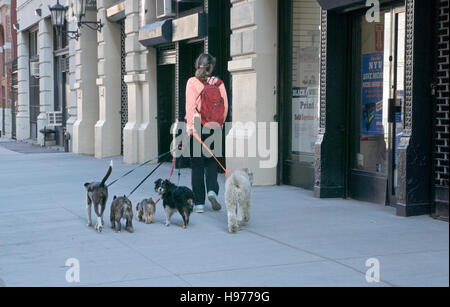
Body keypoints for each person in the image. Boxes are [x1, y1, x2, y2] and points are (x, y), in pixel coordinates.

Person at [185, 53, 228, 213]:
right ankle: (212, 190)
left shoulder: (192, 82)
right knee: (211, 162)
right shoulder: (218, 83)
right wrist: (219, 124)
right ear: (211, 67)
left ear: (198, 65)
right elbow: (225, 107)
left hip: (197, 127)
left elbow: (189, 106)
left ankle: (199, 204)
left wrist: (190, 127)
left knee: (197, 165)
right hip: (214, 127)